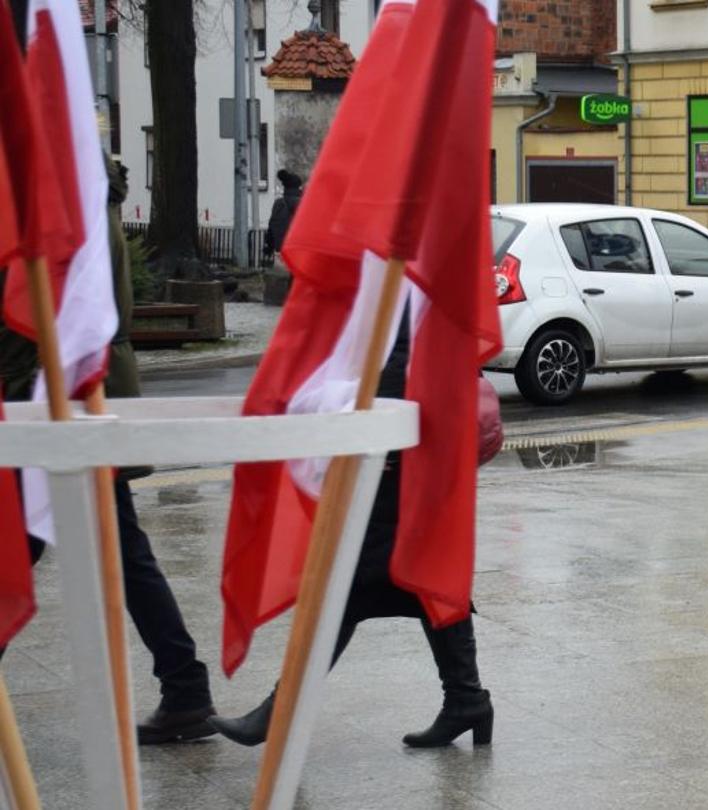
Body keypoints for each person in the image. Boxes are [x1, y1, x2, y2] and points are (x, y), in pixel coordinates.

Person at [0, 154, 218, 745]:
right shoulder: (83, 178)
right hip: (79, 384)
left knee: (26, 548)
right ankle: (185, 688)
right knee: (115, 548)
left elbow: (35, 307)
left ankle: (186, 688)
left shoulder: (50, 180)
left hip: (53, 389)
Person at [209, 313, 495, 749]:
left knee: (349, 584)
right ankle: (466, 699)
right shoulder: (405, 273)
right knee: (425, 583)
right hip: (411, 446)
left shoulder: (407, 269)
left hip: (402, 450)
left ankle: (279, 712)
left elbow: (402, 353)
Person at [264, 169, 304, 259]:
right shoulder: (303, 203)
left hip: (282, 249)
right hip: (298, 249)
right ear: (298, 187)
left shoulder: (278, 203)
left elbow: (272, 225)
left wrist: (269, 246)